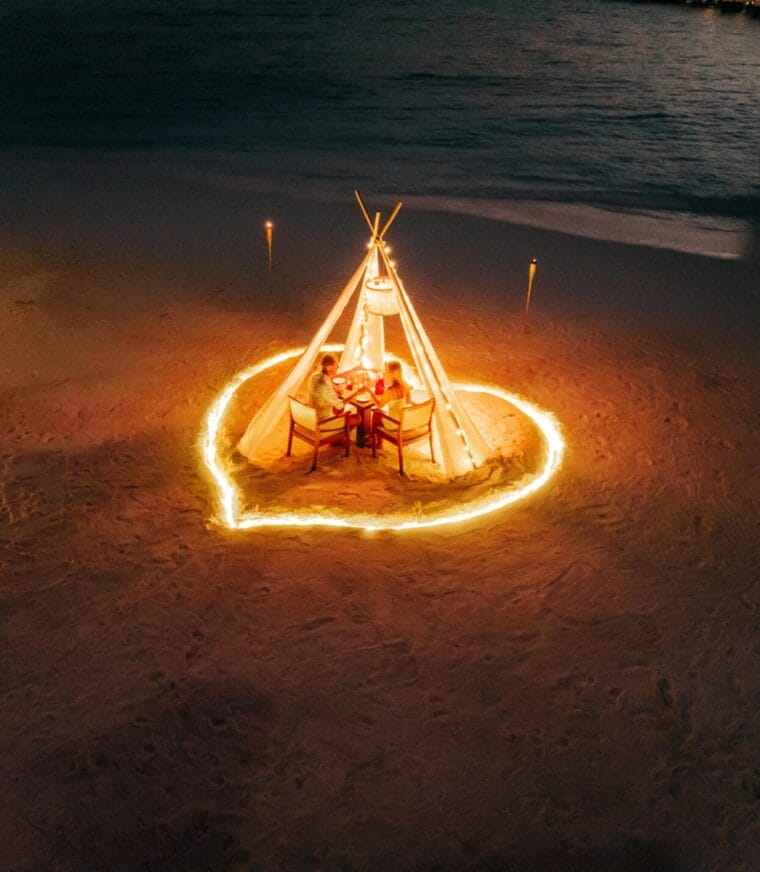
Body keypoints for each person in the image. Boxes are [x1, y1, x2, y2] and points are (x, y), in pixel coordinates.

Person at [308, 354, 361, 427]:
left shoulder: (315, 375)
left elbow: (324, 382)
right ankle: (338, 435)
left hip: (311, 418)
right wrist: (357, 393)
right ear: (330, 368)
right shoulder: (325, 384)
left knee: (338, 409)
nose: (338, 367)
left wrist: (335, 387)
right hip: (322, 423)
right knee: (357, 417)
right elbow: (339, 405)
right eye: (336, 365)